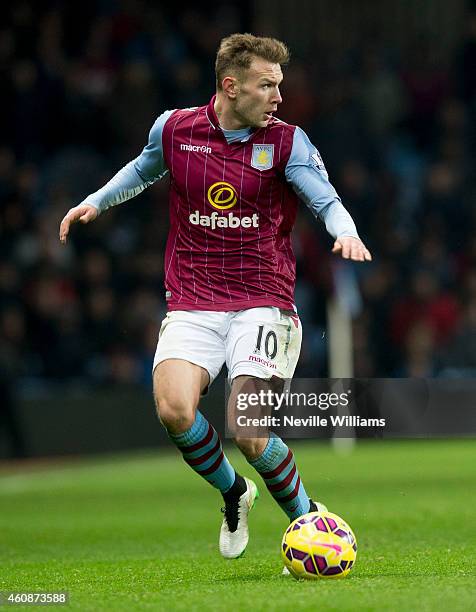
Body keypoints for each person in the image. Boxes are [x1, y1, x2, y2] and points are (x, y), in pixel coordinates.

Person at [59, 33, 372, 564]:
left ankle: (306, 518)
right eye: (266, 85)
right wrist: (96, 202)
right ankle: (234, 494)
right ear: (231, 86)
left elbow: (326, 199)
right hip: (193, 301)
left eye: (280, 85)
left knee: (248, 429)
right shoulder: (176, 129)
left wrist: (346, 231)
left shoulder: (287, 142)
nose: (279, 97)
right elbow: (142, 168)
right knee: (174, 410)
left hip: (263, 303)